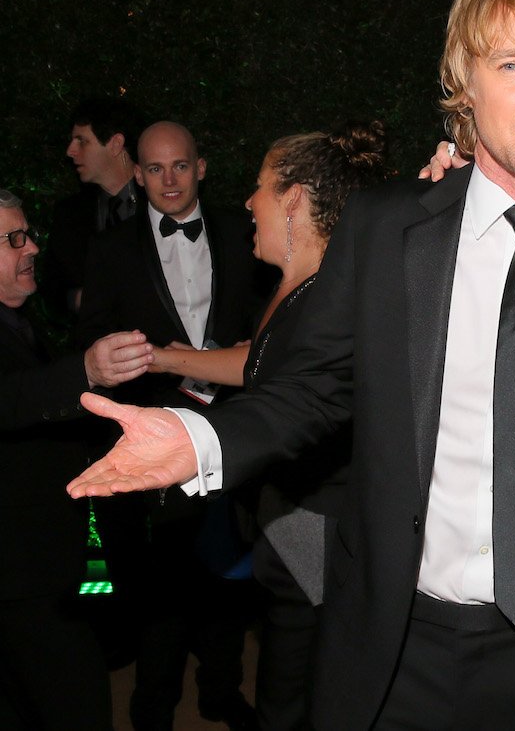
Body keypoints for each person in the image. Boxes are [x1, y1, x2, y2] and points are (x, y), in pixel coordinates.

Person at [68, 0, 515, 729]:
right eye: (509, 62)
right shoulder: (390, 228)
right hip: (400, 646)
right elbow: (310, 387)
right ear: (465, 84)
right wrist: (199, 441)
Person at [148, 121, 388, 730]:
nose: (247, 202)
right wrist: (167, 357)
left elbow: (299, 399)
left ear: (294, 199)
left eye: (258, 187)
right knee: (292, 667)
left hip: (319, 525)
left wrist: (195, 446)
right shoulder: (297, 286)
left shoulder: (335, 294)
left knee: (302, 685)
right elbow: (259, 362)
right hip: (287, 519)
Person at [77, 120, 264, 731]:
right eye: (154, 169)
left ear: (201, 167)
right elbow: (92, 342)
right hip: (152, 433)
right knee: (159, 583)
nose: (169, 180)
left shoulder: (245, 233)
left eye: (180, 166)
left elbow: (271, 318)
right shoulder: (110, 249)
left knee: (230, 570)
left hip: (235, 427)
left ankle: (220, 690)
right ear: (137, 174)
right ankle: (153, 707)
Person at [0, 187, 152, 730]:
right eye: (14, 238)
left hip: (43, 564)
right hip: (20, 576)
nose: (33, 246)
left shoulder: (18, 315)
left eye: (28, 233)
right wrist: (84, 372)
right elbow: (13, 398)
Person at [42, 96, 145, 318]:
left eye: (82, 140)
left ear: (116, 144)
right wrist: (82, 299)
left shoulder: (164, 202)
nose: (70, 150)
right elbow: (52, 292)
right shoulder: (69, 214)